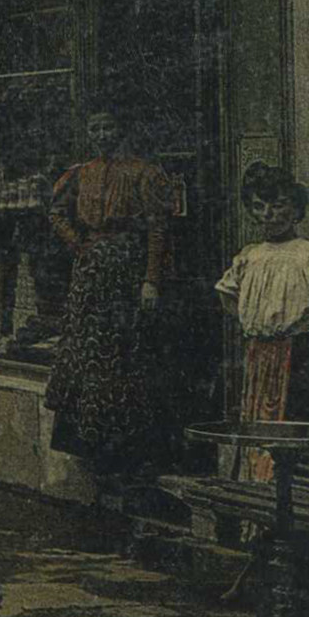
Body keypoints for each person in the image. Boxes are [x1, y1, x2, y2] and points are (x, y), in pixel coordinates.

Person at [44, 109, 180, 491]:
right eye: (96, 127)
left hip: (127, 272)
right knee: (88, 357)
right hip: (90, 274)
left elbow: (157, 228)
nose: (103, 134)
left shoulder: (144, 172)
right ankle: (90, 450)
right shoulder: (80, 173)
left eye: (109, 127)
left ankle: (126, 457)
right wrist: (78, 243)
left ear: (123, 129)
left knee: (124, 358)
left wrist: (151, 280)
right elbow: (56, 213)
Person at [216, 162, 309, 481]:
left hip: (298, 359)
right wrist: (255, 321)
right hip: (258, 358)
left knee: (287, 441)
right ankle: (253, 512)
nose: (268, 214)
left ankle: (280, 511)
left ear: (297, 210)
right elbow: (227, 294)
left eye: (278, 205)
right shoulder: (250, 255)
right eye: (259, 206)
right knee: (255, 432)